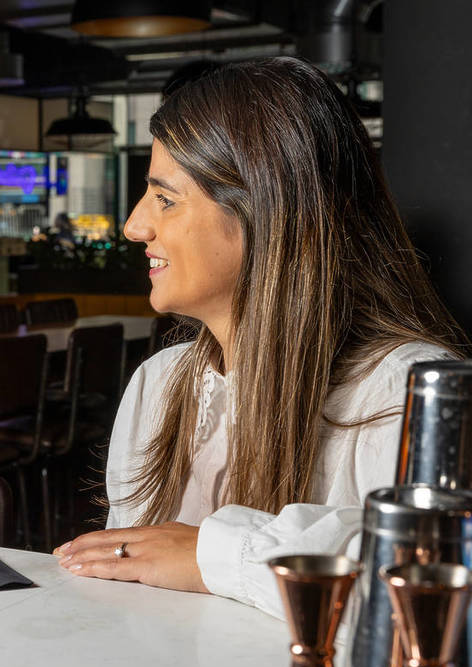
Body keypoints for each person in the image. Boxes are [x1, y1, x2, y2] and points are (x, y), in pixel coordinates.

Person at [53, 56, 467, 619]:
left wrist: (216, 555)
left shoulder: (406, 389)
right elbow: (128, 593)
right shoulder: (160, 382)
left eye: (165, 199)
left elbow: (435, 599)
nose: (134, 226)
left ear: (268, 212)